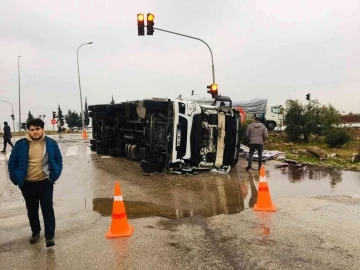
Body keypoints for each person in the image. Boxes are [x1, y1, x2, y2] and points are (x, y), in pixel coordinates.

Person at [8, 118, 62, 247]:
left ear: (42, 129)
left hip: (45, 182)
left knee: (47, 208)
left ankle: (49, 237)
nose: (35, 132)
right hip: (27, 184)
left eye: (37, 129)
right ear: (29, 131)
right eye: (32, 129)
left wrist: (55, 174)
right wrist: (16, 178)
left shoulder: (50, 143)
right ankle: (35, 232)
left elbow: (58, 159)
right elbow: (12, 162)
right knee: (32, 210)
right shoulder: (21, 144)